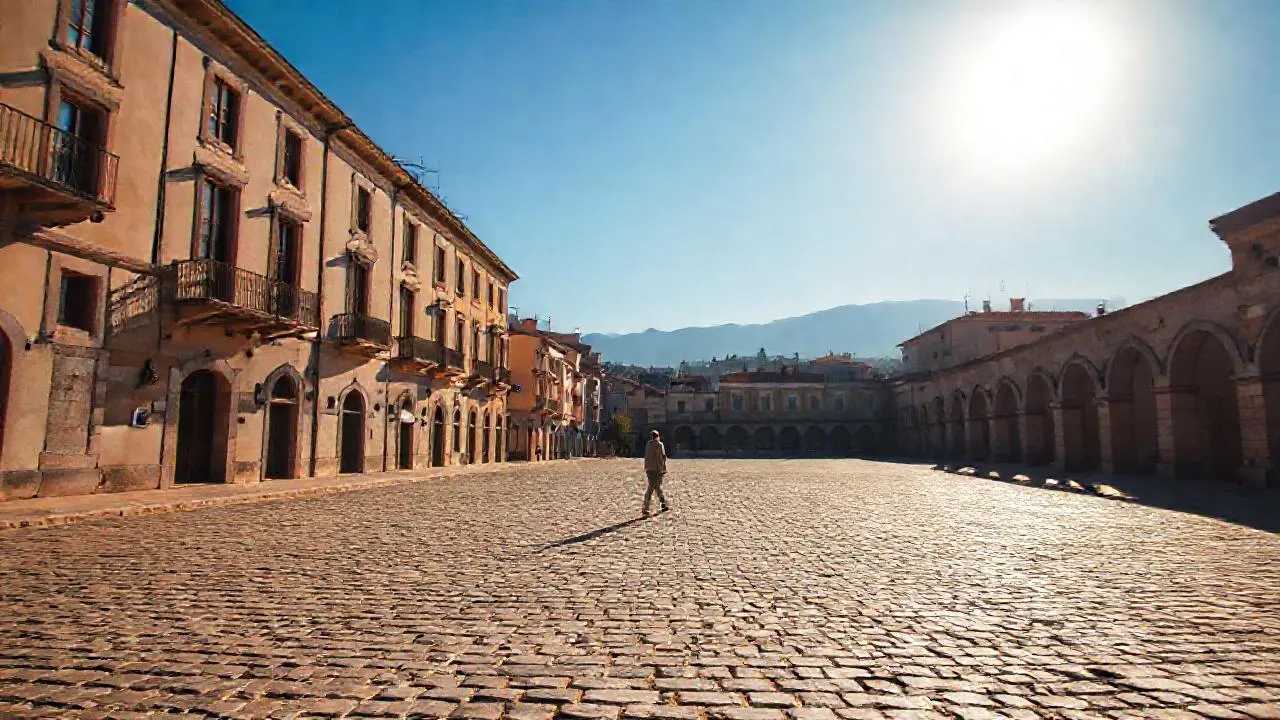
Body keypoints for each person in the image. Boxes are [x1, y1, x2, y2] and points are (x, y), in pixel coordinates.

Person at [642, 430, 670, 516]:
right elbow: (662, 457)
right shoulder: (659, 444)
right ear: (658, 436)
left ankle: (663, 504)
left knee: (656, 487)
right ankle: (646, 508)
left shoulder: (648, 444)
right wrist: (663, 469)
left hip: (649, 469)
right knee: (652, 488)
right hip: (657, 469)